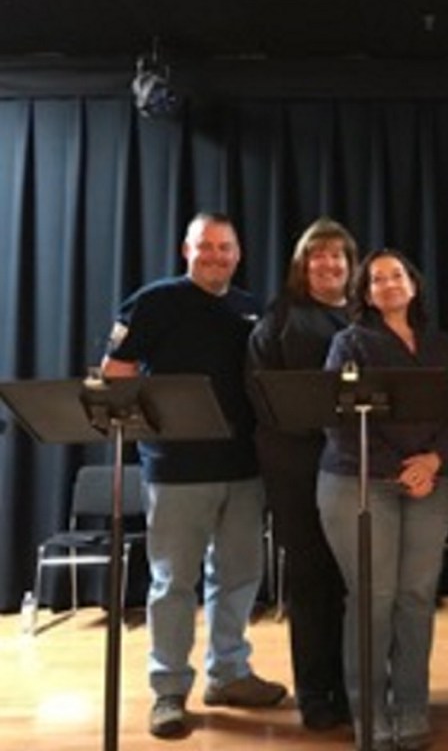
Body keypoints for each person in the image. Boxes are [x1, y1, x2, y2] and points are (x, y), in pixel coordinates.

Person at [102, 212, 287, 740]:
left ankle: (229, 672)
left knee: (239, 578)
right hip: (176, 470)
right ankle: (168, 690)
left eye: (225, 248)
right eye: (205, 247)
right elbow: (116, 376)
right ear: (186, 250)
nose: (215, 256)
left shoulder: (251, 307)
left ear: (238, 253)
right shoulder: (154, 301)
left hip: (244, 468)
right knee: (172, 584)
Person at [316, 248, 448, 751]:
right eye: (376, 279)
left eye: (396, 274)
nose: (388, 284)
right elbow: (339, 423)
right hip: (359, 482)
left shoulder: (441, 344)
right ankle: (370, 713)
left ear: (413, 284)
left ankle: (412, 707)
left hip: (433, 482)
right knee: (373, 600)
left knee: (417, 599)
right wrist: (400, 468)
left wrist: (433, 463)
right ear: (366, 293)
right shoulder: (348, 344)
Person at [246, 217, 359, 731]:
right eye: (318, 255)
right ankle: (317, 695)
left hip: (360, 472)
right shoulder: (281, 319)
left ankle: (358, 686)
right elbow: (265, 399)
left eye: (338, 255)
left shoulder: (368, 316)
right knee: (314, 586)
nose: (329, 264)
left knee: (360, 586)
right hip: (300, 473)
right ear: (302, 264)